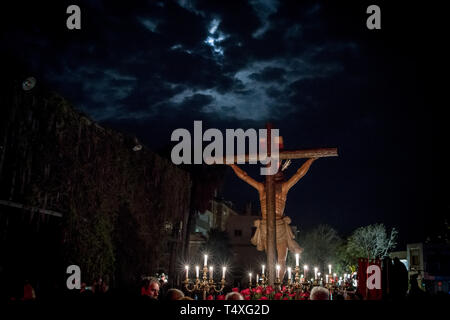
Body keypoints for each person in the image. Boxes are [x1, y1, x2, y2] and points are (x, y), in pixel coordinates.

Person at [228, 158, 316, 277]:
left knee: (280, 260)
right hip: (266, 226)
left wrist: (311, 159)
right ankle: (272, 284)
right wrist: (232, 165)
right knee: (273, 260)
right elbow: (244, 176)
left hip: (278, 225)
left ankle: (277, 285)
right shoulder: (262, 187)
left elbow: (299, 174)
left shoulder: (281, 187)